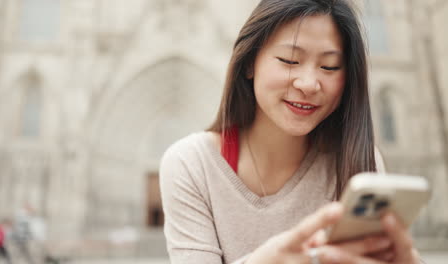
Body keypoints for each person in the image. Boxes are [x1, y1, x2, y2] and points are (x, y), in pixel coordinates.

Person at [160, 0, 422, 263]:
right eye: (290, 60)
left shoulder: (359, 163)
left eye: (329, 66)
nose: (308, 84)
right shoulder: (191, 165)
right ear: (250, 62)